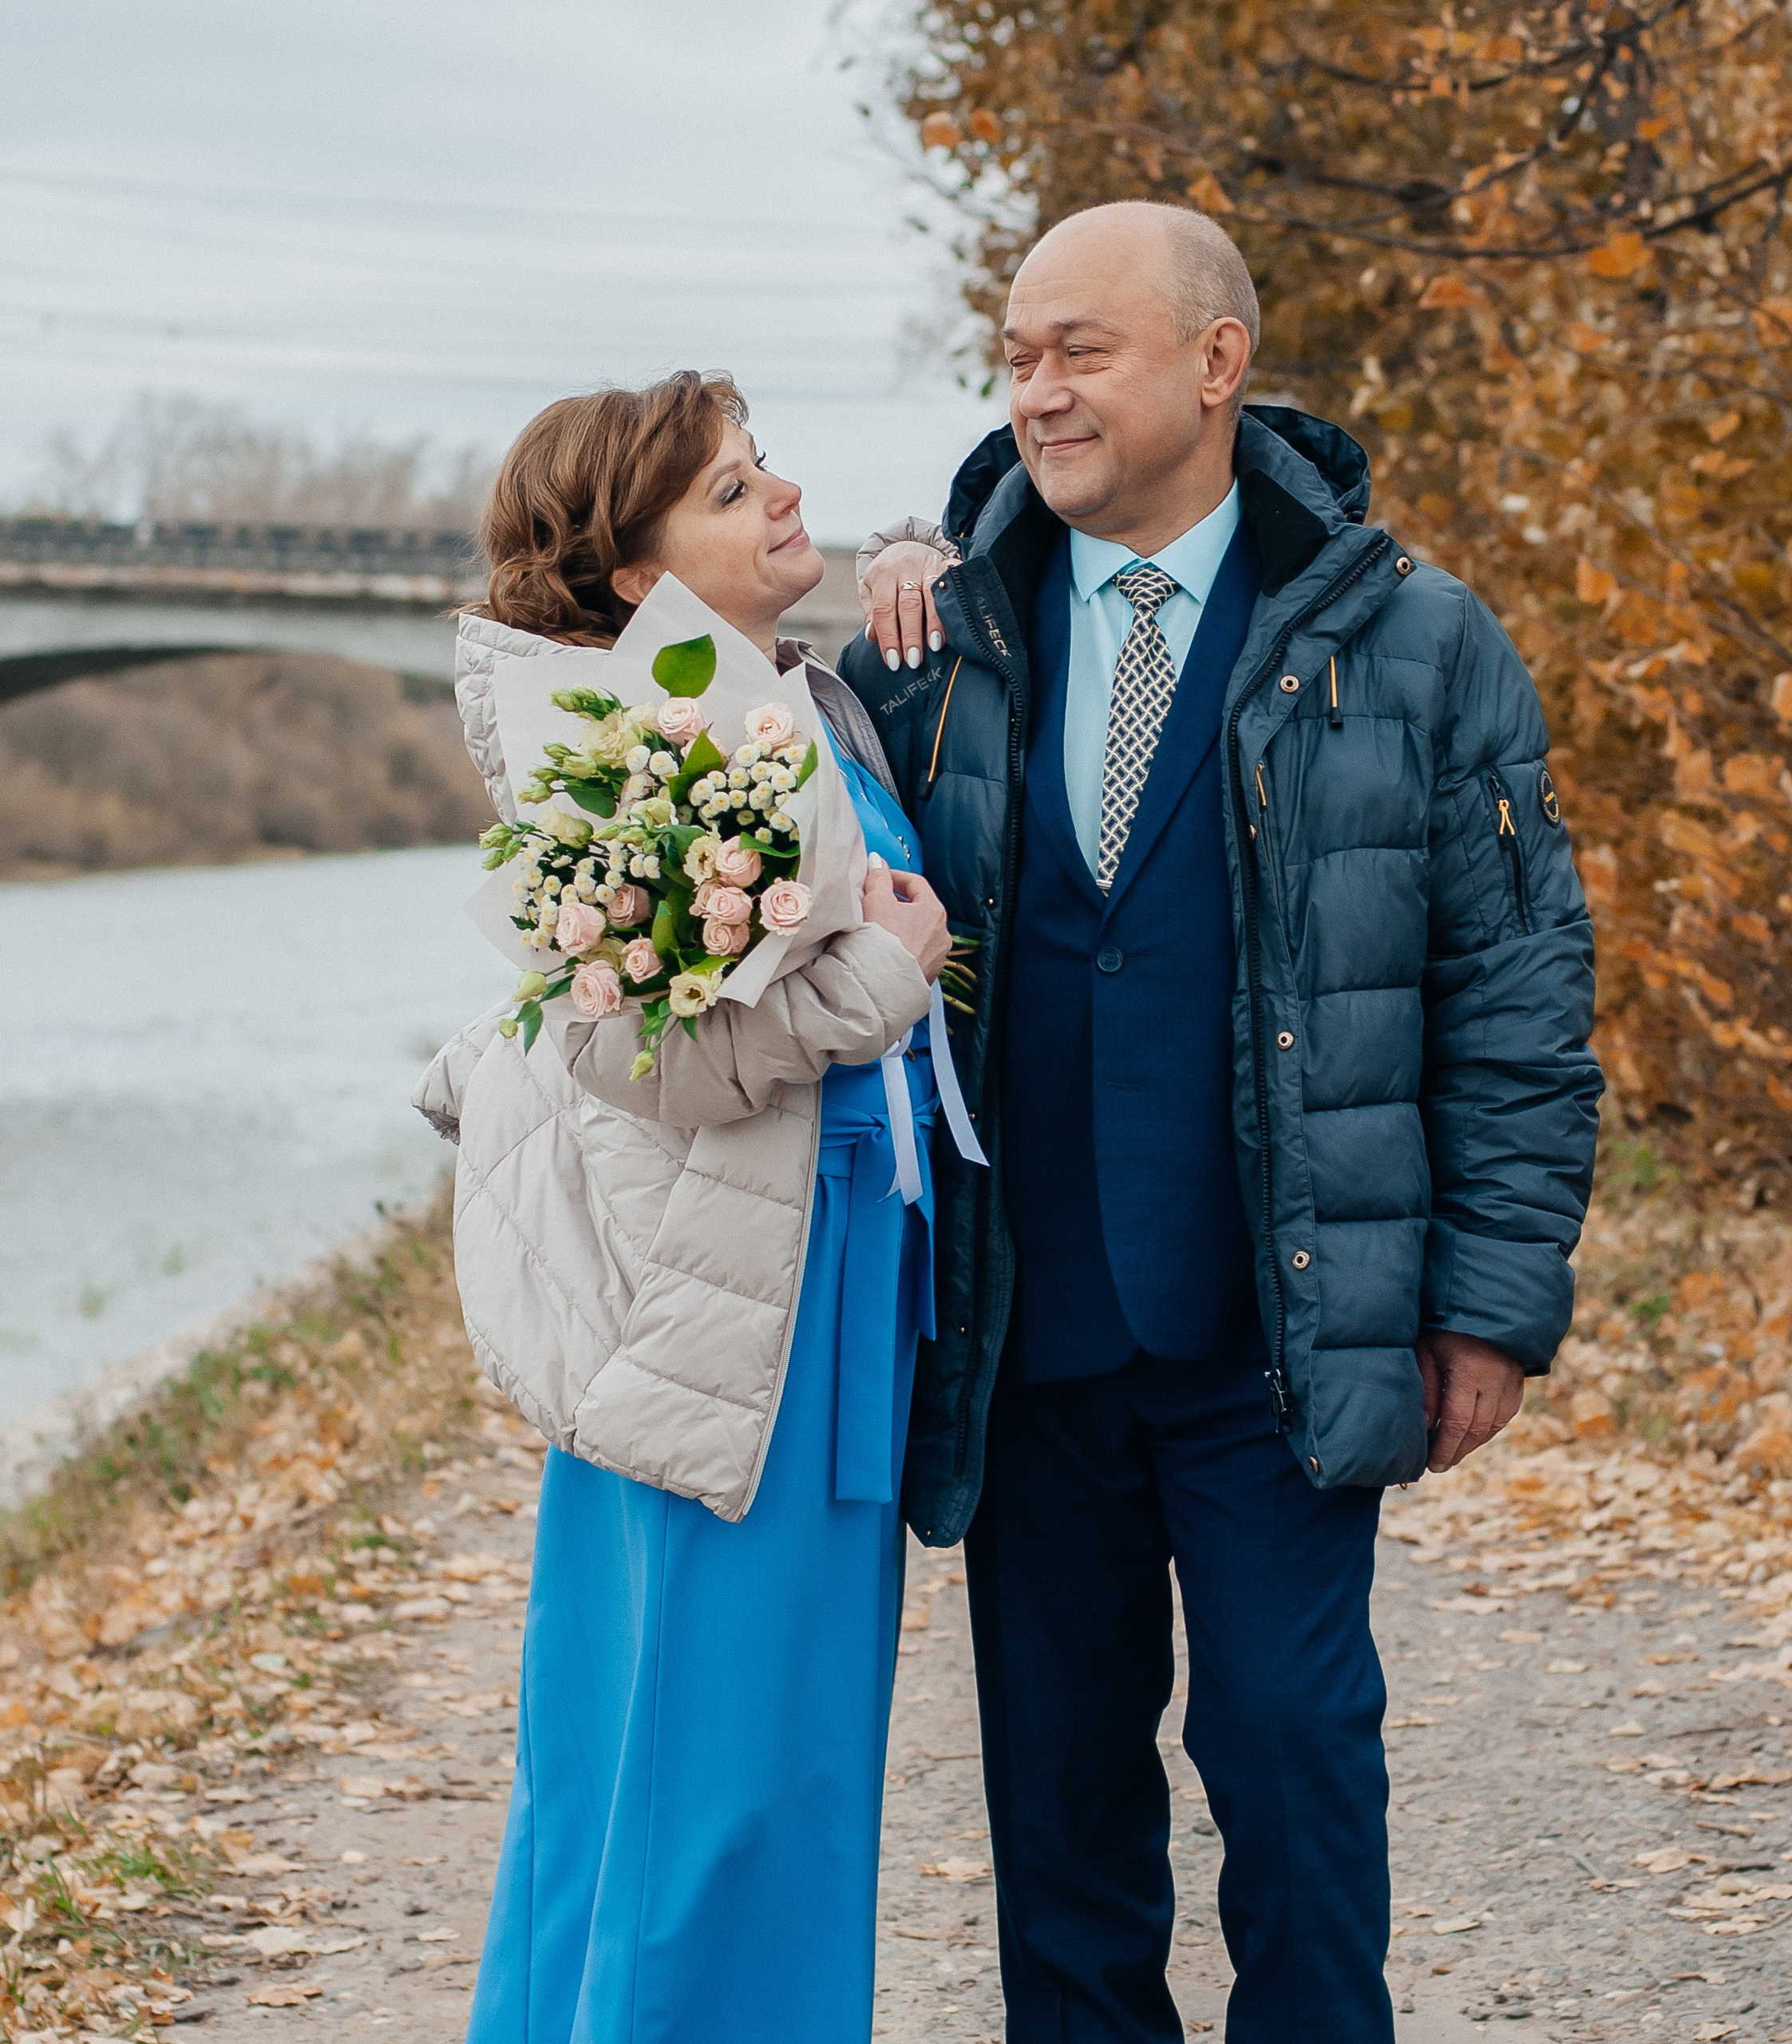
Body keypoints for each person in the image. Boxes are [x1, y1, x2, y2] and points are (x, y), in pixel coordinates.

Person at [841, 201, 1604, 2041]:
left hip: (1281, 1323)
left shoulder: (1414, 639)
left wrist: (1491, 1302)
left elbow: (1516, 994)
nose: (1035, 390)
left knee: (1292, 1761)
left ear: (1214, 362)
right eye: (1016, 356)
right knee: (1059, 1811)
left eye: (1078, 350)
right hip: (1022, 1339)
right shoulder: (929, 645)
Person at [411, 371, 955, 2043]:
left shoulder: (786, 700)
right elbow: (642, 1055)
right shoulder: (626, 745)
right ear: (640, 576)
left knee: (748, 1770)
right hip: (726, 1312)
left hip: (825, 1284)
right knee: (697, 1788)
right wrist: (891, 975)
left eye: (762, 463)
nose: (780, 495)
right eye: (729, 490)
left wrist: (933, 548)